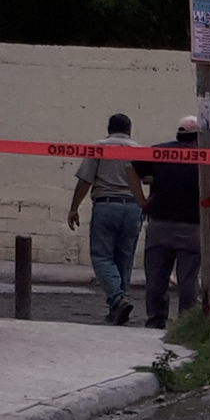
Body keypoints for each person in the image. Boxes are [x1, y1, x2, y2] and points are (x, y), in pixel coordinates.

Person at [67, 113, 146, 325]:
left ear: (109, 128)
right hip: (133, 207)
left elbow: (85, 180)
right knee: (125, 258)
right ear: (129, 130)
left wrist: (74, 208)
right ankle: (118, 304)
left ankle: (117, 298)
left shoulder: (98, 147)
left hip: (106, 205)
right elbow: (149, 178)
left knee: (101, 256)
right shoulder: (139, 150)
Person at [134, 117, 207, 329]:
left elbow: (131, 167)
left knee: (156, 280)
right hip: (192, 227)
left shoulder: (160, 152)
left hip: (159, 225)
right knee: (188, 281)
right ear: (198, 137)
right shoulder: (205, 157)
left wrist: (142, 201)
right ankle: (186, 323)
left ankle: (156, 320)